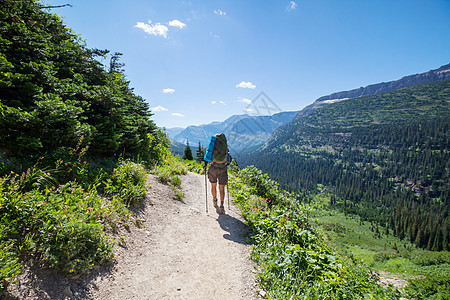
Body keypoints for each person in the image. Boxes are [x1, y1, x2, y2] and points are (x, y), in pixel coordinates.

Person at [204, 133, 230, 214]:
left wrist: (205, 165)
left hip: (213, 168)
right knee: (222, 188)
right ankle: (222, 205)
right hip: (222, 168)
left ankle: (215, 200)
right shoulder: (225, 146)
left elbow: (207, 155)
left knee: (213, 185)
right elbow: (229, 159)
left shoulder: (213, 145)